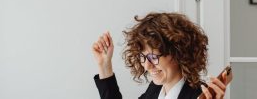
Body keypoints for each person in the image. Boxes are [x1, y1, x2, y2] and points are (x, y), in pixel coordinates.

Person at [92, 12, 229, 99]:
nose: (147, 65)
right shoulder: (155, 90)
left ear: (177, 53)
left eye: (153, 57)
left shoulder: (200, 95)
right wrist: (105, 66)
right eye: (142, 57)